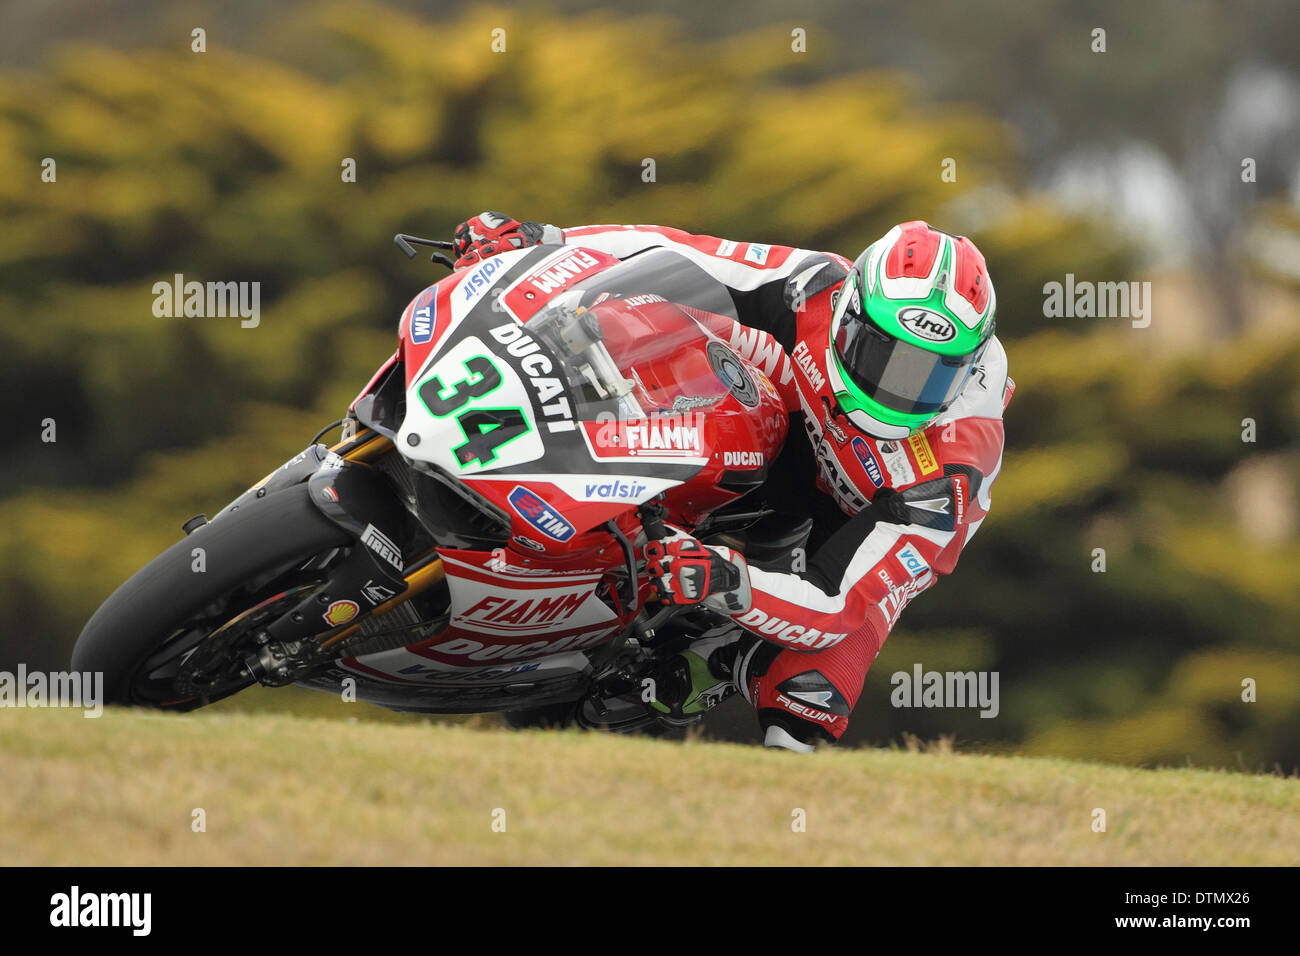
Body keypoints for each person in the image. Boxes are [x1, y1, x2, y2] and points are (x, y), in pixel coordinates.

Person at [452, 212, 1013, 752]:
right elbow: (680, 251)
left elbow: (833, 602)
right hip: (788, 410)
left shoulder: (948, 473)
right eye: (884, 356)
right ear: (850, 312)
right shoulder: (816, 283)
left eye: (930, 374)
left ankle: (721, 670)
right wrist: (544, 239)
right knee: (652, 319)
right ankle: (572, 473)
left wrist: (723, 578)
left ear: (967, 367)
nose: (899, 390)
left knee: (808, 693)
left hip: (855, 528)